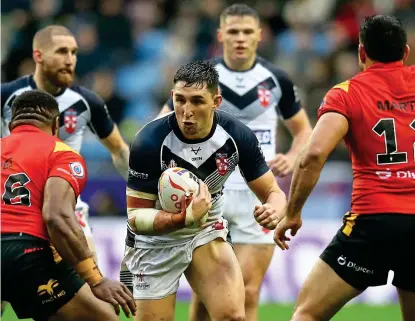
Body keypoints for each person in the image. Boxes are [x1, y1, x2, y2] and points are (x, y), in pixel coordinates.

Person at [158, 4, 312, 321]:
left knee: (247, 290)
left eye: (246, 32)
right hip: (209, 191)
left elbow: (304, 132)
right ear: (220, 35)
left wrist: (293, 155)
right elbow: (163, 122)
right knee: (208, 293)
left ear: (259, 35)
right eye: (233, 31)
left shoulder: (275, 79)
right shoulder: (203, 77)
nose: (240, 38)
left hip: (258, 190)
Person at [121, 60, 287, 321]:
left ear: (216, 102)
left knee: (232, 316)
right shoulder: (149, 141)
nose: (186, 111)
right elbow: (135, 217)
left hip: (205, 228)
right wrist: (183, 217)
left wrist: (274, 210)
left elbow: (274, 192)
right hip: (155, 241)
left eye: (197, 101)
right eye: (180, 100)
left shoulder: (237, 136)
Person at [274, 15, 415, 321]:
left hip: (372, 223)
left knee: (307, 314)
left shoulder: (347, 93)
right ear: (405, 52)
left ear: (361, 52)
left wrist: (292, 213)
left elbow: (313, 154)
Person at [1, 90, 136, 321]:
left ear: (12, 124)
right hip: (26, 253)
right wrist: (96, 279)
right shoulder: (62, 154)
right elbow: (57, 217)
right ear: (55, 125)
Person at [1, 25, 130, 260]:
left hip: (65, 203)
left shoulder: (86, 102)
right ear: (38, 55)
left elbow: (119, 150)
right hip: (15, 201)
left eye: (73, 52)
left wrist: (145, 189)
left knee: (91, 273)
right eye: (61, 52)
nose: (70, 59)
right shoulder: (7, 96)